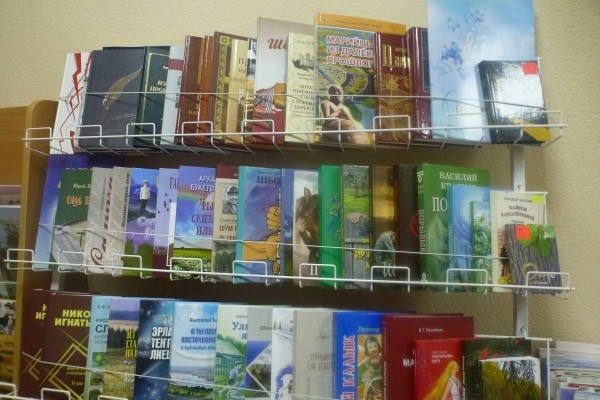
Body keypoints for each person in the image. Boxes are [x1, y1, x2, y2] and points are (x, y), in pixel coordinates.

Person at [357, 335, 383, 400]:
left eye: (375, 346)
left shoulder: (386, 360)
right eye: (370, 347)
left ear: (378, 347)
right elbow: (353, 380)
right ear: (367, 349)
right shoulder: (364, 365)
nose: (373, 349)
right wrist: (363, 377)